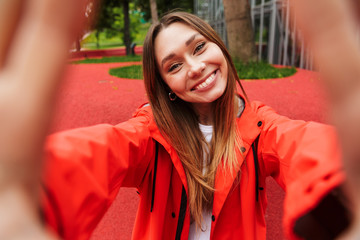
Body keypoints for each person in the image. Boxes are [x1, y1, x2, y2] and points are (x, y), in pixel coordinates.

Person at [0, 1, 357, 240]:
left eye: (199, 47)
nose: (196, 67)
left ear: (220, 47)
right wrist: (37, 192)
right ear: (166, 86)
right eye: (174, 65)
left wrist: (341, 181)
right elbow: (101, 151)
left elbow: (302, 145)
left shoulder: (260, 126)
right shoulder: (151, 133)